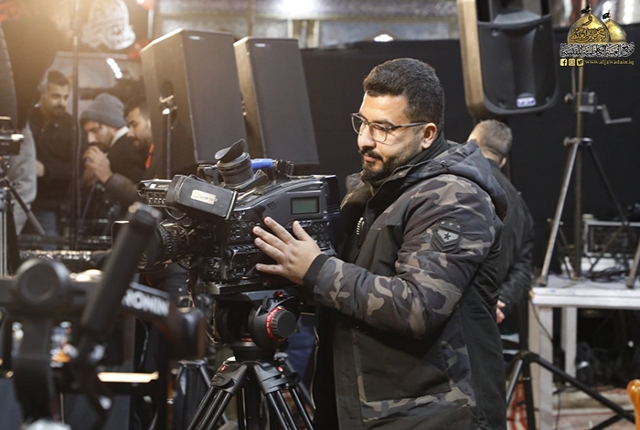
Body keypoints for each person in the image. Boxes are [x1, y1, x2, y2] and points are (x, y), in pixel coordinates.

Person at [251, 58, 508, 429]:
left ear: (427, 134)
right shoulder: (376, 190)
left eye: (384, 129)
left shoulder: (455, 197)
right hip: (371, 409)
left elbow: (417, 307)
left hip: (433, 417)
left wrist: (315, 270)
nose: (365, 140)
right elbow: (353, 292)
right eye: (363, 122)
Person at [468, 119, 535, 329]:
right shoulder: (520, 204)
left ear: (471, 144)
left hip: (450, 315)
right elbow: (523, 267)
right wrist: (501, 301)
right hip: (487, 318)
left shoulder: (452, 183)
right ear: (503, 160)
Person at [25, 70, 73, 239]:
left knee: (46, 250)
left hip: (48, 204)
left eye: (66, 97)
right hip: (20, 198)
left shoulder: (71, 127)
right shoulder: (26, 120)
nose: (62, 103)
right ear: (42, 94)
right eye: (56, 96)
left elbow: (76, 168)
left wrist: (46, 170)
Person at [81, 92, 146, 187]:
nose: (90, 140)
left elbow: (138, 192)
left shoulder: (121, 151)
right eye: (87, 133)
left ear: (114, 125)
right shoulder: (126, 146)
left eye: (95, 130)